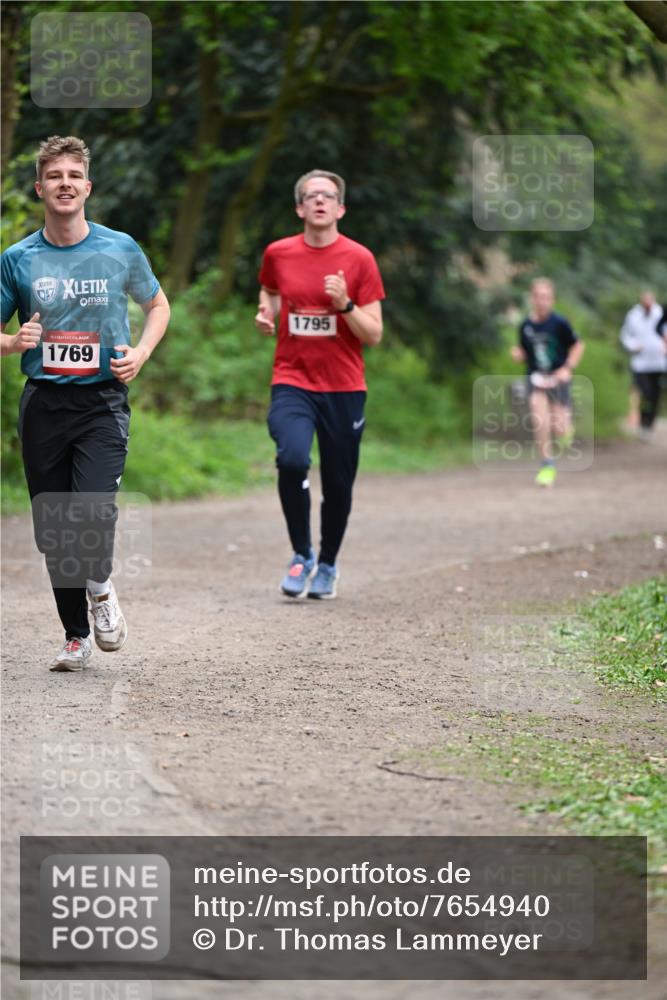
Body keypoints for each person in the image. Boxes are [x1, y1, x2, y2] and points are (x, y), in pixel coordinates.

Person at [1, 136, 170, 671]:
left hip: (102, 403)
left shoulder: (119, 247)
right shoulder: (17, 259)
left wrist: (141, 352)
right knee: (54, 528)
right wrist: (13, 343)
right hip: (44, 404)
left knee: (92, 512)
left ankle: (99, 584)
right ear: (40, 188)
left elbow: (157, 304)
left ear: (88, 187)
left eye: (74, 174)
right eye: (55, 176)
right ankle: (75, 636)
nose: (65, 183)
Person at [255, 169, 385, 599]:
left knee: (338, 482)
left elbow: (373, 333)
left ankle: (327, 563)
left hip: (344, 387)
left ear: (341, 208)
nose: (319, 201)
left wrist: (344, 304)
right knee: (292, 458)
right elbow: (270, 289)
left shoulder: (360, 259)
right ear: (299, 207)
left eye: (328, 196)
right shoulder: (278, 252)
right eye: (311, 196)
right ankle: (301, 554)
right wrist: (267, 313)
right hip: (292, 379)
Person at [511, 278, 585, 487]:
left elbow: (578, 346)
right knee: (539, 418)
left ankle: (565, 432)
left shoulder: (560, 323)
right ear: (532, 299)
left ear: (552, 300)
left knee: (559, 428)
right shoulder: (525, 325)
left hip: (558, 378)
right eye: (539, 297)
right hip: (536, 378)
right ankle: (547, 465)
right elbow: (527, 352)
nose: (543, 301)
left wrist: (567, 368)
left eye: (547, 297)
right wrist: (519, 354)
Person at [620, 290, 666, 441]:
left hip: (659, 361)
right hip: (640, 362)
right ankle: (642, 421)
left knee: (655, 394)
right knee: (644, 391)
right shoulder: (633, 315)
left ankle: (649, 424)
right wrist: (633, 346)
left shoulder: (660, 313)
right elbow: (625, 335)